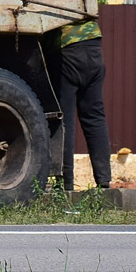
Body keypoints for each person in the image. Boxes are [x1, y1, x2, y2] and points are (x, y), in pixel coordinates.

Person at [48, 20, 112, 190]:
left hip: (66, 48)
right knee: (94, 116)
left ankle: (65, 184)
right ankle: (104, 180)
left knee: (64, 121)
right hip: (93, 44)